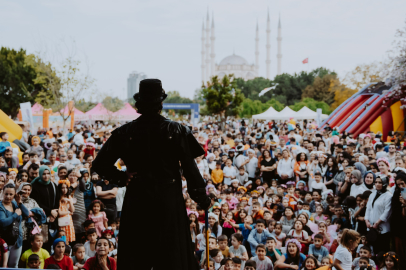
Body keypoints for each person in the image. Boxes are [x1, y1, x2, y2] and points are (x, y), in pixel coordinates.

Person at [92, 79, 211, 270]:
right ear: (160, 103)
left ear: (139, 103)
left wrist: (123, 177)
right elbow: (191, 170)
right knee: (171, 254)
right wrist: (202, 198)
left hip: (138, 200)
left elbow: (100, 164)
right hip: (168, 200)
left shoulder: (125, 132)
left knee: (137, 254)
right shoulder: (177, 130)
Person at [0, 183, 30, 267]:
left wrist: (19, 202)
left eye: (11, 194)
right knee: (3, 265)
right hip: (5, 241)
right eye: (6, 194)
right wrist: (15, 215)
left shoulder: (14, 204)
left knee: (14, 265)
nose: (8, 196)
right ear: (3, 192)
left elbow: (26, 213)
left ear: (14, 194)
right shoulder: (1, 206)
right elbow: (2, 222)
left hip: (17, 241)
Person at [365, 176, 392, 254]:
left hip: (382, 229)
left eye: (380, 182)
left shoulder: (388, 196)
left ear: (385, 183)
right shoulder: (372, 194)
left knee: (382, 250)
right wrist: (367, 220)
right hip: (371, 227)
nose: (377, 184)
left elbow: (387, 212)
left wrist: (377, 223)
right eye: (376, 182)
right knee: (373, 250)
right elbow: (368, 209)